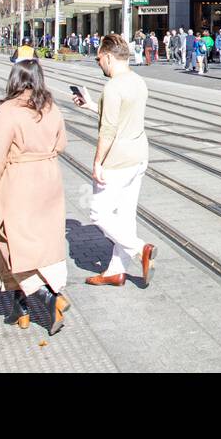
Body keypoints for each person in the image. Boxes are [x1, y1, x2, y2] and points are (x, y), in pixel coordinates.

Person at [0, 59, 71, 335]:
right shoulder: (52, 108)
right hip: (49, 182)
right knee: (31, 246)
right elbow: (61, 145)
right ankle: (19, 310)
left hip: (19, 183)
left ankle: (50, 299)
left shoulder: (8, 111)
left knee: (13, 244)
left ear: (14, 80)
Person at [70, 34, 156, 288]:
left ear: (108, 56)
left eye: (98, 59)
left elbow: (108, 130)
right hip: (139, 155)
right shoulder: (138, 81)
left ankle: (141, 250)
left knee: (99, 213)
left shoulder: (112, 87)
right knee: (126, 214)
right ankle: (115, 271)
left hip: (118, 160)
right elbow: (123, 116)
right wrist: (90, 107)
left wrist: (97, 162)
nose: (99, 64)